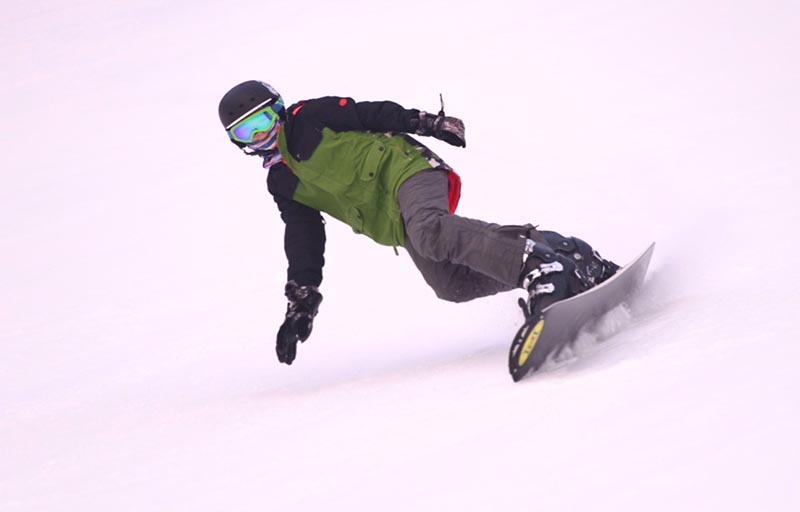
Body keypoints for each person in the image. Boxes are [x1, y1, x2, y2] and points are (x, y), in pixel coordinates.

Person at [218, 80, 619, 365]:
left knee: (429, 233)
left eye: (264, 120)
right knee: (451, 285)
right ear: (239, 143)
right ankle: (564, 255)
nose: (262, 135)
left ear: (280, 109)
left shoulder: (310, 117)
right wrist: (302, 299)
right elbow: (303, 237)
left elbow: (368, 113)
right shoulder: (282, 181)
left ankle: (538, 266)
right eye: (247, 132)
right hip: (391, 219)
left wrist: (427, 123)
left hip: (405, 172)